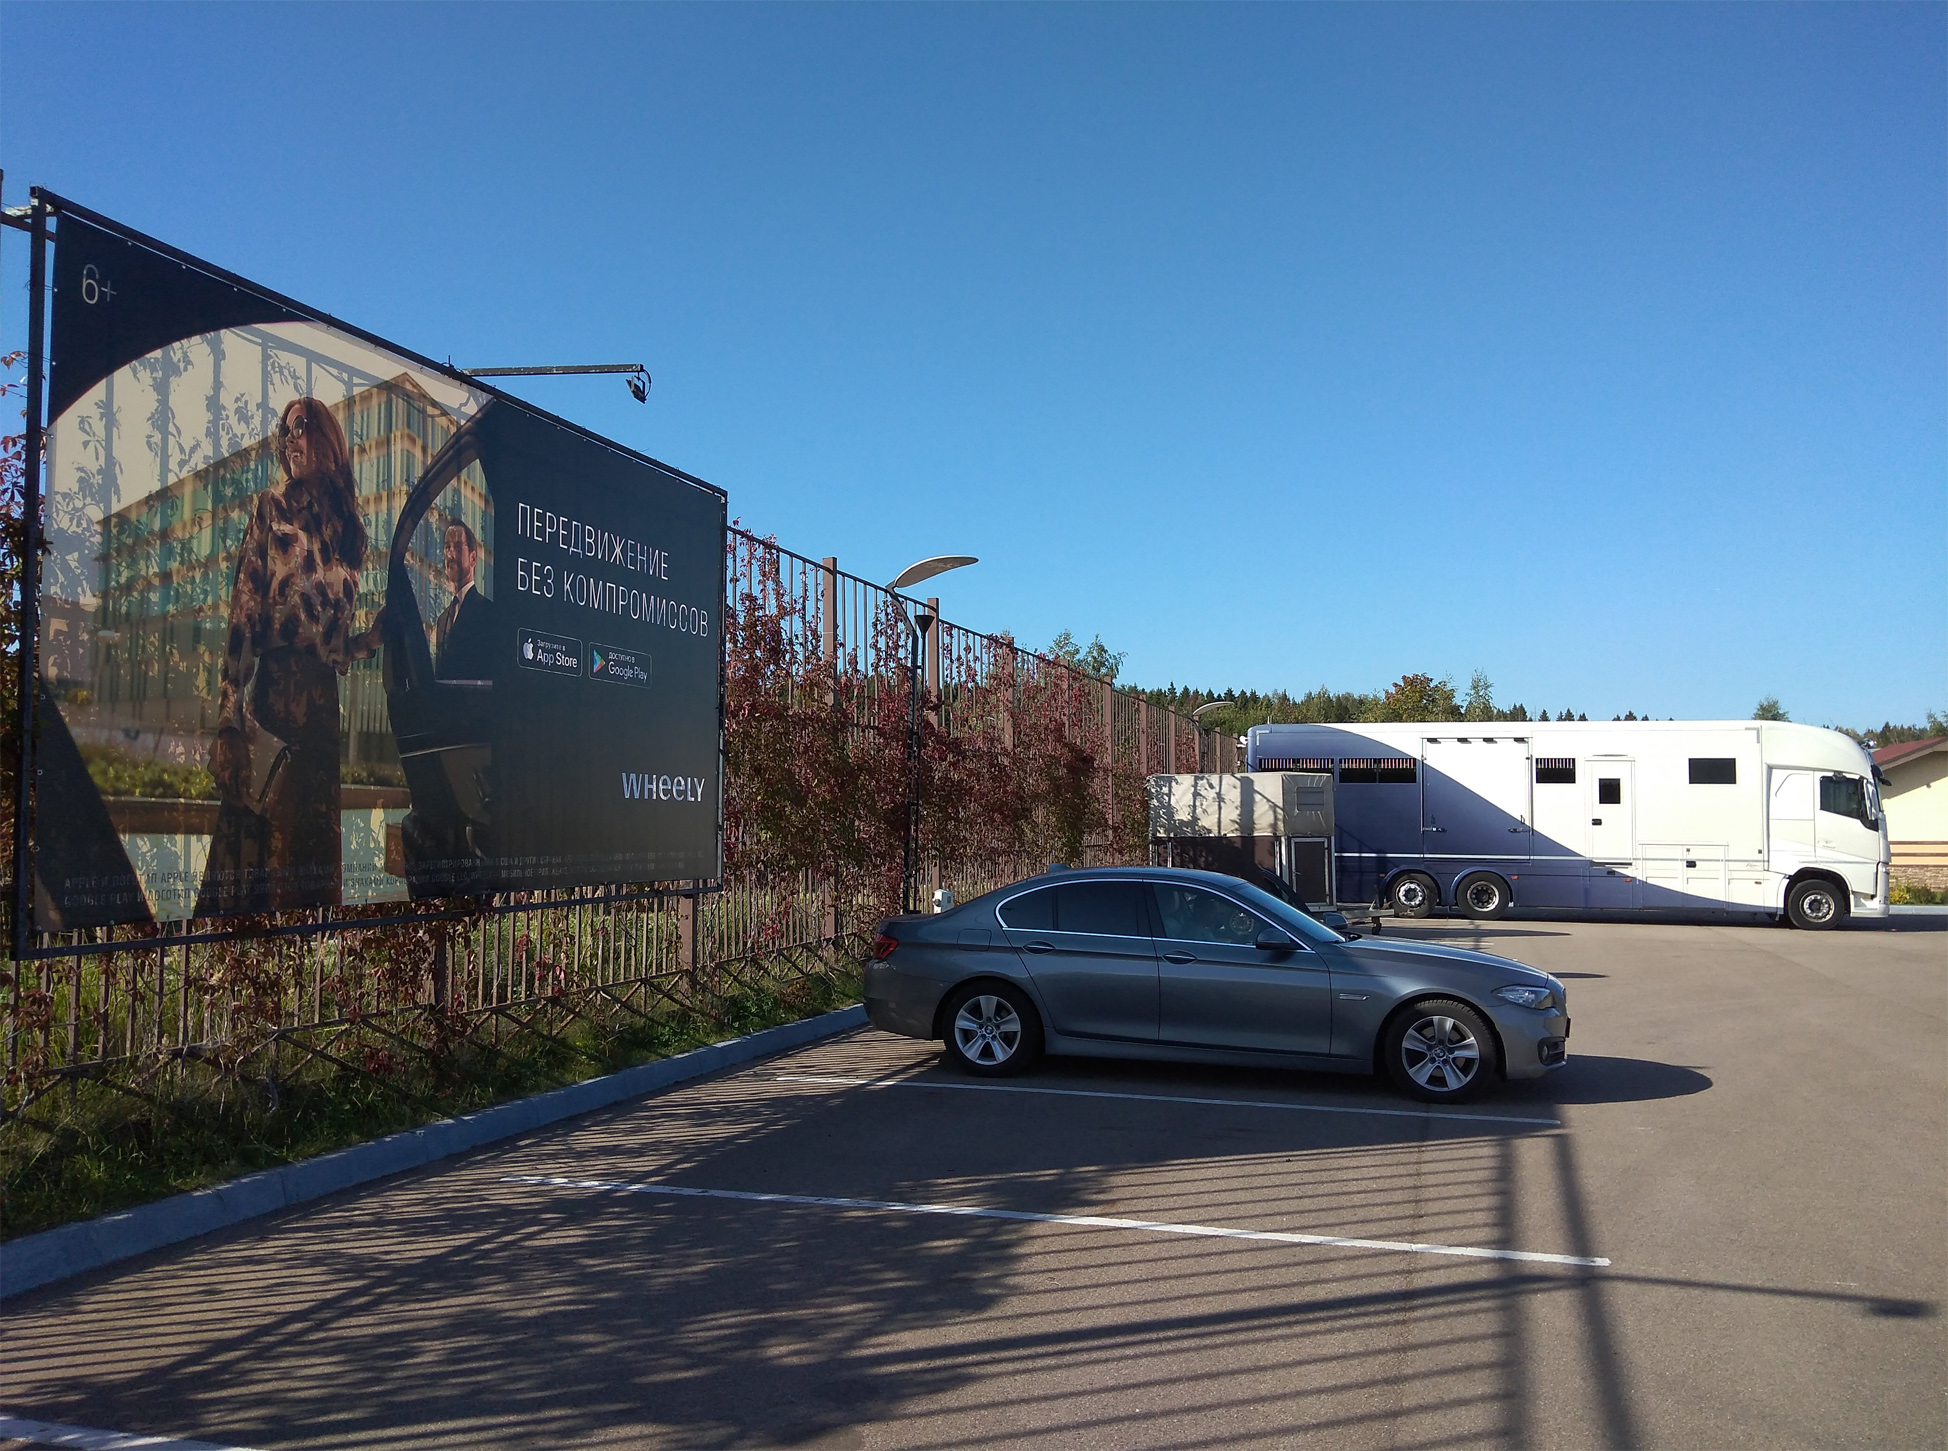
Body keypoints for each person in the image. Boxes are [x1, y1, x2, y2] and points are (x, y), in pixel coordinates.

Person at [195, 397, 381, 915]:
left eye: (299, 427)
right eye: (285, 432)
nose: (290, 440)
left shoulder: (350, 533)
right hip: (275, 698)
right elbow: (242, 619)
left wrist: (371, 639)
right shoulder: (272, 508)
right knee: (257, 870)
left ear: (327, 437)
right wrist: (229, 722)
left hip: (321, 711)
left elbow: (335, 650)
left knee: (309, 879)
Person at [433, 517, 495, 681]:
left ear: (473, 558)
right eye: (447, 547)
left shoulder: (490, 613)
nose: (451, 554)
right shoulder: (442, 620)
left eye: (458, 547)